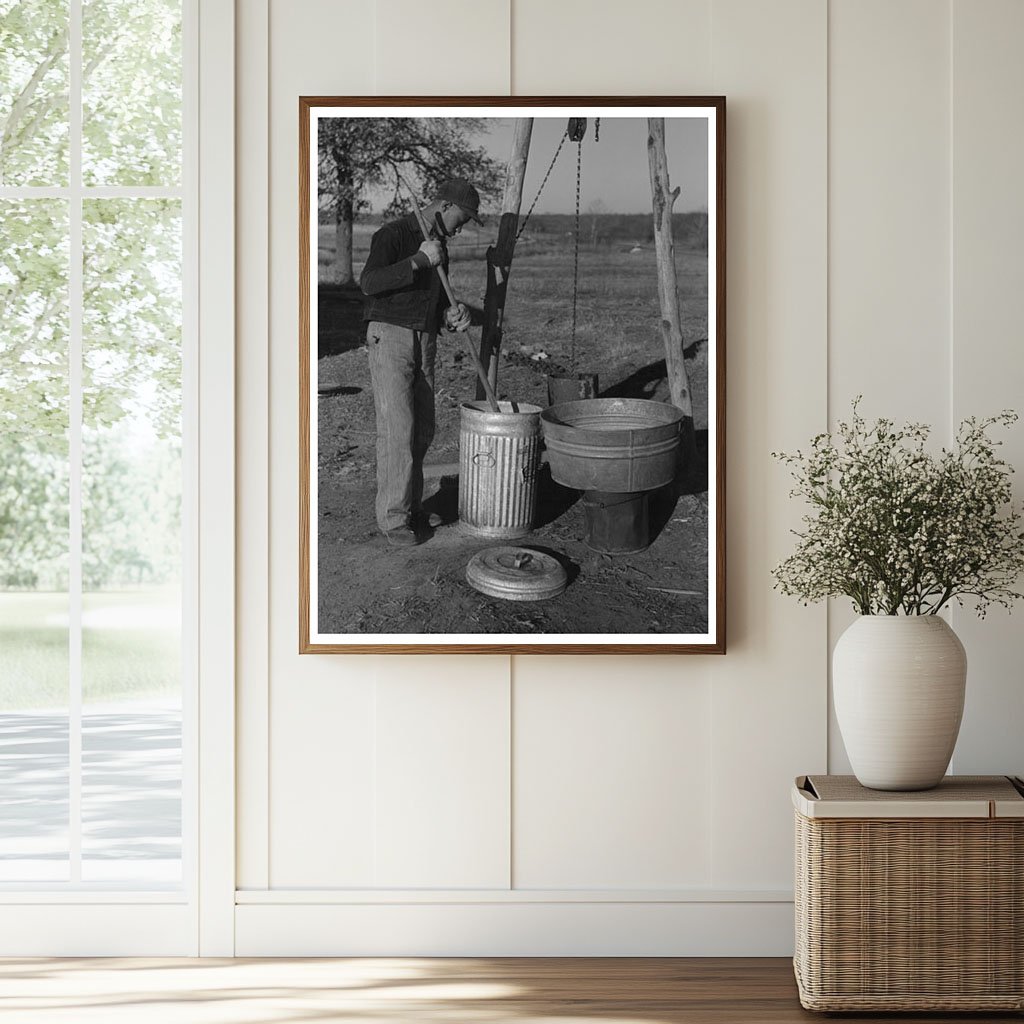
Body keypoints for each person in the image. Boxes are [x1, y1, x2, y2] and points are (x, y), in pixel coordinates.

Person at [359, 178, 481, 546]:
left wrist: (451, 317)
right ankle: (393, 518)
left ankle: (411, 508)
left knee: (423, 428)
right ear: (445, 206)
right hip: (389, 336)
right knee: (398, 428)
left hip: (424, 339)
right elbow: (369, 283)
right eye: (462, 219)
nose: (461, 228)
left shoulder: (440, 247)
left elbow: (437, 305)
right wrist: (417, 261)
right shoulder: (393, 234)